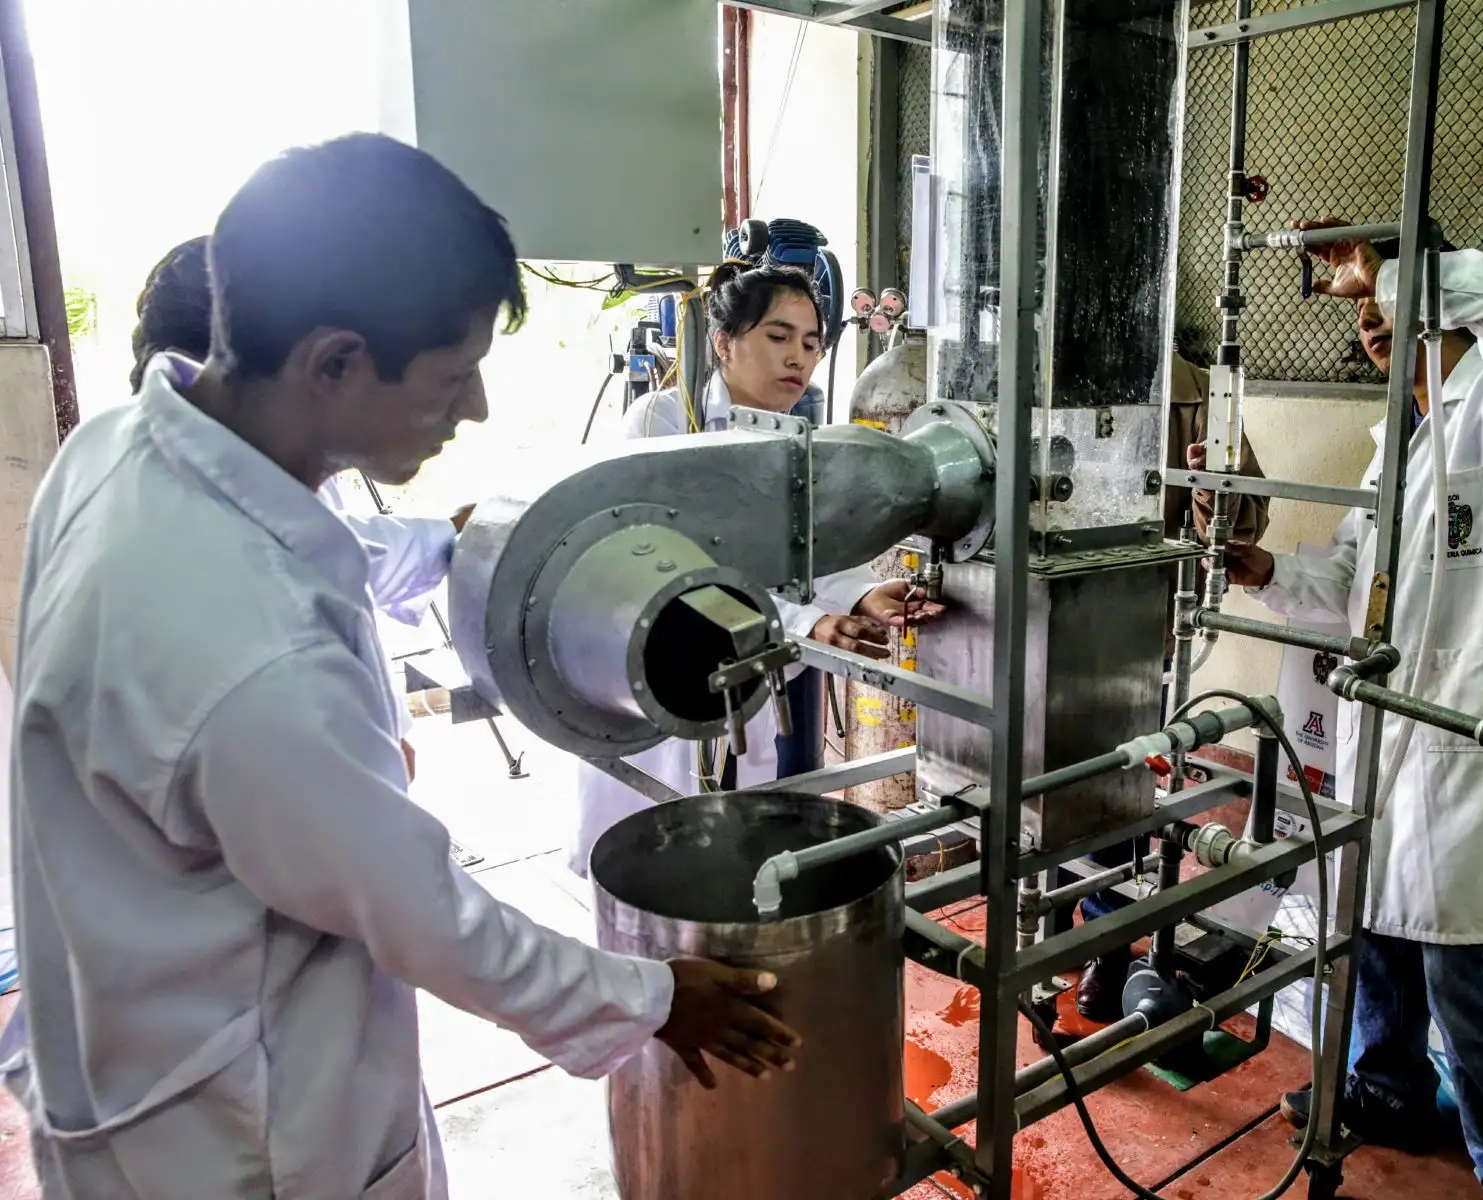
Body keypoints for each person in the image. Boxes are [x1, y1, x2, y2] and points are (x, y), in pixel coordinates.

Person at [4, 133, 799, 1200]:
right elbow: (428, 914)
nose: (470, 409)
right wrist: (654, 998)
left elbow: (336, 548)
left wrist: (464, 545)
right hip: (241, 1142)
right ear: (334, 361)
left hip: (147, 1057)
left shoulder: (116, 456)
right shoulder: (248, 649)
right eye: (453, 374)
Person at [1224, 219, 1483, 1200]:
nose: (1373, 322)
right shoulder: (1397, 438)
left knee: (1463, 975)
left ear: (1443, 298)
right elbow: (1349, 579)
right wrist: (1262, 569)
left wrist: (1393, 274)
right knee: (1376, 928)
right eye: (1364, 310)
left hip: (1471, 732)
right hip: (1385, 726)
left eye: (1387, 302)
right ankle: (1387, 1090)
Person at [569, 259, 944, 876]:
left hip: (751, 672)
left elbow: (802, 550)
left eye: (811, 342)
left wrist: (860, 597)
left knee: (737, 839)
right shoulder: (662, 421)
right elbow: (677, 566)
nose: (798, 357)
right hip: (665, 665)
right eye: (777, 337)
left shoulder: (793, 437)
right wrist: (802, 622)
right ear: (722, 342)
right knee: (655, 847)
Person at [129, 235, 468, 779]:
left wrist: (447, 534)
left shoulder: (253, 451)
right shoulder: (200, 511)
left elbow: (331, 543)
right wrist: (371, 750)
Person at [1072, 348, 1272, 1022]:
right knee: (1033, 787)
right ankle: (1048, 922)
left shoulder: (1196, 392)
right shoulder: (1027, 364)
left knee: (1117, 796)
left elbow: (1247, 521)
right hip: (1035, 626)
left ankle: (1108, 942)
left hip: (1131, 635)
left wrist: (1220, 497)